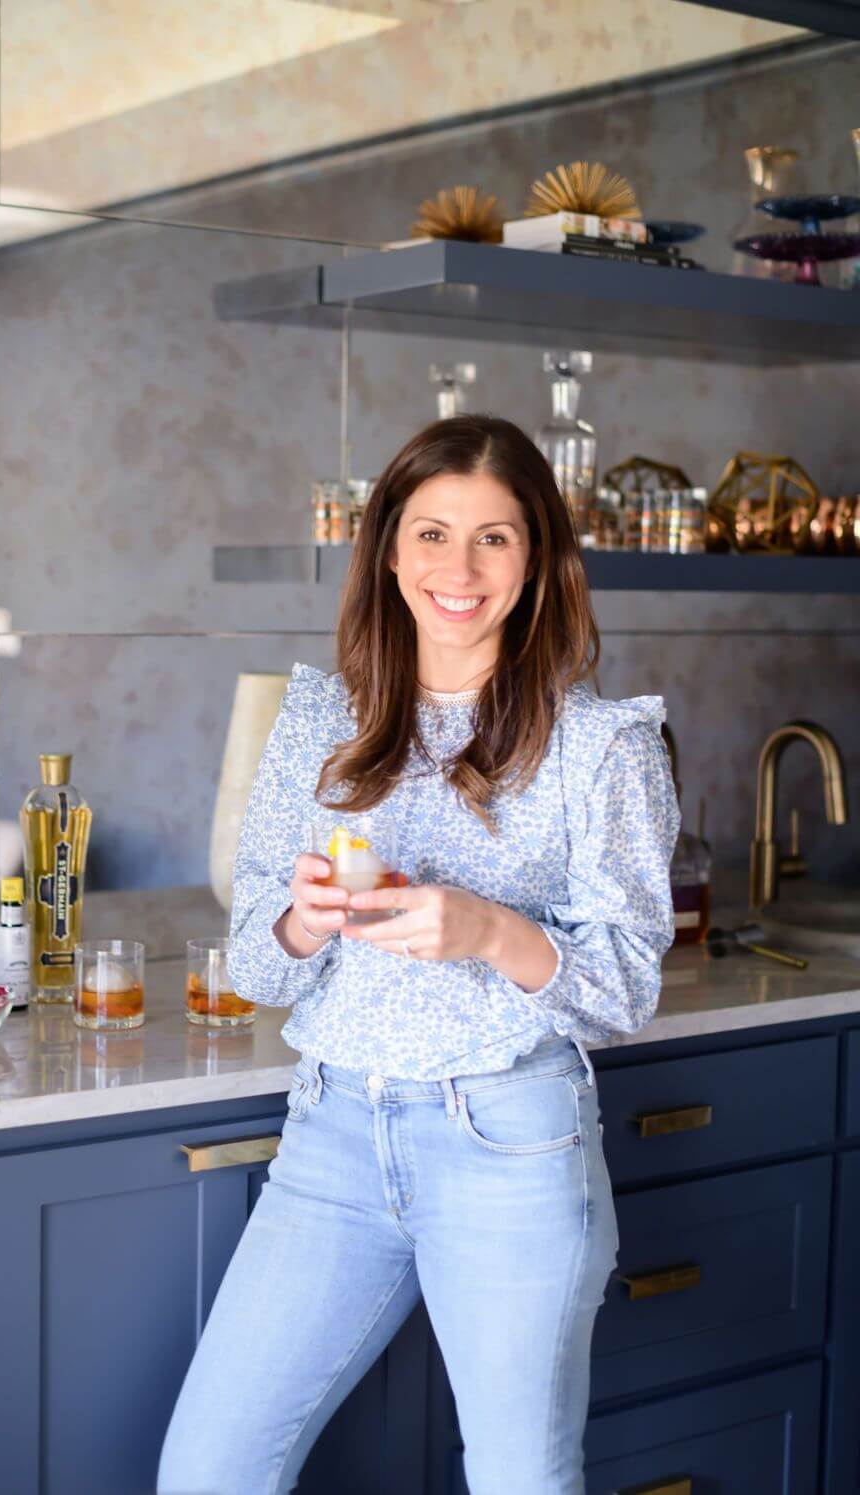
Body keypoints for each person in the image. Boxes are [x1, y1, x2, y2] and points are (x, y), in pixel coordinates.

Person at [157, 414, 680, 1495]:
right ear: (388, 548)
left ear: (537, 559)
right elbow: (254, 970)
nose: (459, 566)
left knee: (520, 1479)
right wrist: (300, 921)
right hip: (332, 1137)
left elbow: (626, 985)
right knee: (209, 1469)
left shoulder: (603, 745)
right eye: (433, 532)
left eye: (495, 536)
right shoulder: (318, 722)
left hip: (510, 1145)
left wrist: (489, 929)